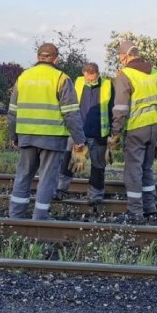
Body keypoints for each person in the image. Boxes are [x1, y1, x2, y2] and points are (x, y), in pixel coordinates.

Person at [7, 43, 87, 220]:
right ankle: (40, 216)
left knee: (23, 175)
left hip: (26, 136)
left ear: (38, 57)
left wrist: (14, 136)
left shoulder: (23, 77)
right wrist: (79, 139)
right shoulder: (61, 78)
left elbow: (12, 111)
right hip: (52, 138)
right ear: (56, 58)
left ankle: (16, 216)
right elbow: (71, 113)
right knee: (47, 178)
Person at [109, 40, 157, 223]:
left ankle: (135, 211)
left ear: (125, 56)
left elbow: (120, 107)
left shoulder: (125, 74)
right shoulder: (155, 72)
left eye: (120, 57)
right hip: (155, 126)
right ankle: (150, 208)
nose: (120, 60)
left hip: (137, 127)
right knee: (146, 168)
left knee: (133, 170)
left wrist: (115, 133)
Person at [56, 62, 114, 206]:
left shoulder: (107, 85)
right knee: (68, 162)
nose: (90, 81)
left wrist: (112, 133)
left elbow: (113, 108)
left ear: (98, 74)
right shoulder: (78, 82)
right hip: (77, 132)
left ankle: (95, 196)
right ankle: (60, 190)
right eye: (88, 78)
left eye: (93, 79)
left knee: (98, 166)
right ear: (84, 73)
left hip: (99, 133)